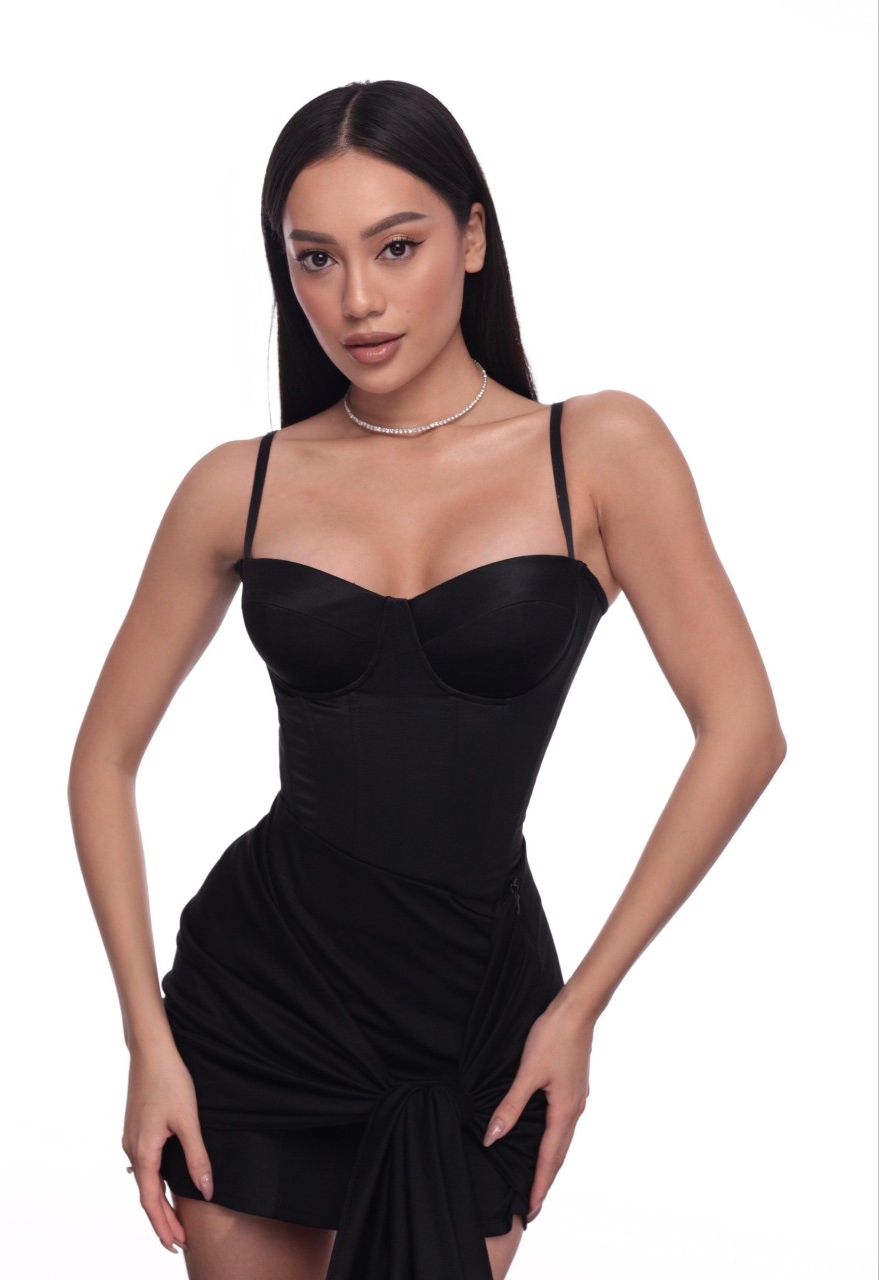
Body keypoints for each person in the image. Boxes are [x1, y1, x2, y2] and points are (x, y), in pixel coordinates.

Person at [68, 78, 787, 1280]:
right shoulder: (240, 483)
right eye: (315, 258)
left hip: (473, 1024)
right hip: (258, 1005)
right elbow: (102, 756)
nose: (355, 298)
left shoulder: (596, 451)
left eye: (395, 246)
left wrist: (581, 1005)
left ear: (472, 236)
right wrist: (148, 1035)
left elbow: (744, 728)